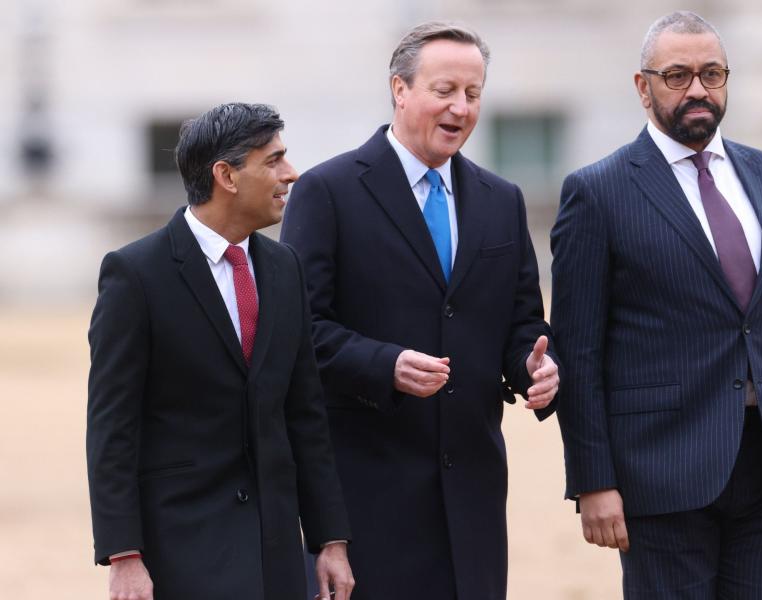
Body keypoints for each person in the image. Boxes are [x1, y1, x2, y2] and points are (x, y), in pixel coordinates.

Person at [550, 11, 762, 599]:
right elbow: (579, 353)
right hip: (658, 478)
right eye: (678, 75)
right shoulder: (597, 192)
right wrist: (593, 481)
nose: (698, 89)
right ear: (643, 87)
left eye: (712, 74)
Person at [280, 21, 560, 600]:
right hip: (366, 494)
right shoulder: (328, 192)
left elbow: (521, 324)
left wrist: (537, 367)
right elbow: (299, 330)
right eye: (445, 90)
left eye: (474, 94)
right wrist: (385, 364)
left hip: (474, 497)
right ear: (399, 89)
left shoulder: (501, 201)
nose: (461, 107)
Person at [86, 103, 354, 600]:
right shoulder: (135, 274)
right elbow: (112, 426)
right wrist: (124, 555)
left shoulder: (284, 267)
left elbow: (305, 414)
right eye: (273, 160)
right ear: (226, 175)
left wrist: (329, 540)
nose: (290, 174)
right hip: (181, 552)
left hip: (277, 554)